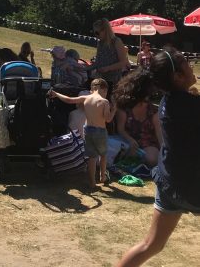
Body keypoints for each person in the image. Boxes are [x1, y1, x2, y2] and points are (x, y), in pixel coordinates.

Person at [116, 50, 200, 267]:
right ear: (177, 77)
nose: (192, 67)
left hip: (168, 183)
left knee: (150, 245)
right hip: (191, 186)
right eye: (187, 64)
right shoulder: (189, 105)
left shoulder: (168, 100)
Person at [48, 78, 116, 189]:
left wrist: (56, 94)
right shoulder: (104, 102)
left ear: (92, 89)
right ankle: (102, 177)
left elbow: (69, 100)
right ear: (104, 90)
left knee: (91, 157)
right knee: (103, 155)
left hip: (88, 130)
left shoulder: (86, 98)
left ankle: (92, 183)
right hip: (100, 131)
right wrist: (114, 110)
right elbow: (108, 119)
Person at [112, 67, 163, 166]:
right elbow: (121, 129)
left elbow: (159, 134)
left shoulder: (153, 111)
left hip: (147, 142)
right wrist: (130, 140)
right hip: (127, 140)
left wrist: (165, 152)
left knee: (152, 159)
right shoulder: (124, 107)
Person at [90, 18, 128, 94]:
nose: (96, 35)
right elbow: (98, 62)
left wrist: (108, 68)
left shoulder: (116, 41)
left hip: (113, 81)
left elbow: (123, 62)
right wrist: (85, 68)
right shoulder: (100, 43)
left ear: (105, 30)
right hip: (100, 80)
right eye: (94, 33)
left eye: (97, 33)